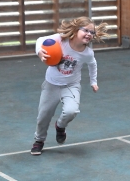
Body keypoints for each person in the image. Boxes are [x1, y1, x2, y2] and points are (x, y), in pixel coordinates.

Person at [31, 16, 110, 155]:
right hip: (51, 84)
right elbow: (39, 40)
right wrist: (39, 52)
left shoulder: (88, 53)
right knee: (43, 116)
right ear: (75, 29)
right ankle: (39, 141)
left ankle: (60, 126)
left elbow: (93, 65)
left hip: (71, 85)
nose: (89, 34)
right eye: (85, 30)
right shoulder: (60, 40)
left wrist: (93, 81)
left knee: (71, 111)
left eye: (92, 32)